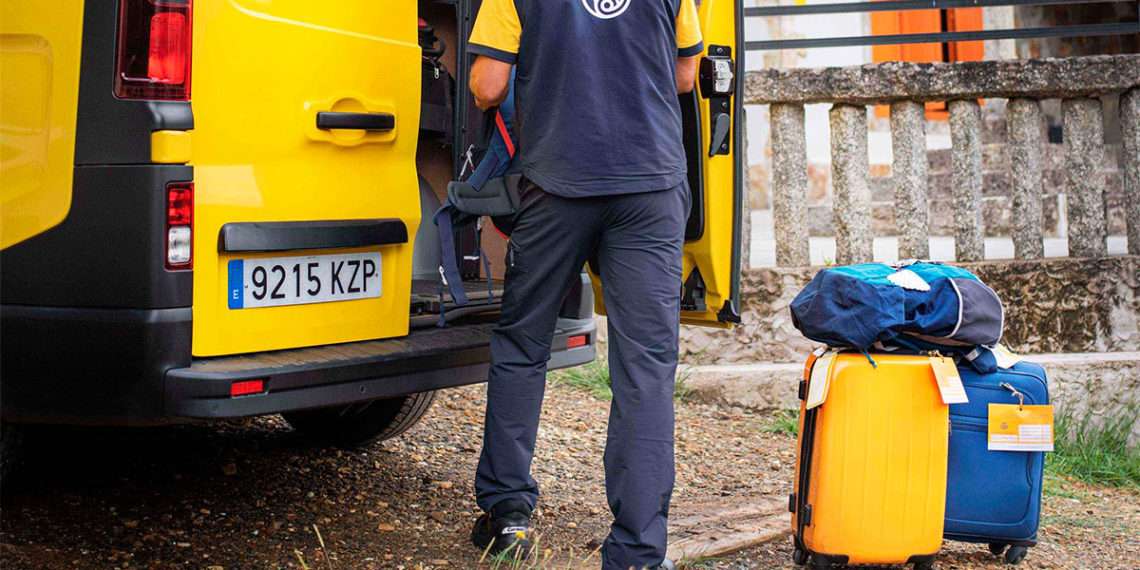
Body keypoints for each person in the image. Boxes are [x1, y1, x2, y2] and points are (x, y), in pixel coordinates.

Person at [465, 0, 702, 568]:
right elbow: (686, 74)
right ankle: (639, 551)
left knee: (524, 345)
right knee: (645, 365)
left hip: (557, 184)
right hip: (649, 186)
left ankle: (509, 519)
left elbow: (488, 85)